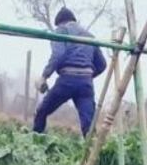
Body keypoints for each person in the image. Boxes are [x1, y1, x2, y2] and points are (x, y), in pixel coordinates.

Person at [33, 7, 107, 136]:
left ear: (60, 22)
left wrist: (44, 76)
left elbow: (58, 54)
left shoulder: (61, 31)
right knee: (88, 126)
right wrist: (86, 75)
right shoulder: (89, 36)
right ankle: (92, 154)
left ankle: (36, 143)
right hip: (86, 84)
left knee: (41, 112)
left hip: (67, 81)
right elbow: (102, 65)